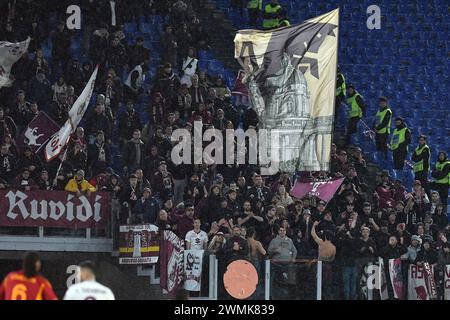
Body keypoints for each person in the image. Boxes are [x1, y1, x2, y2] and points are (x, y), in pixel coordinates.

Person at [373, 96, 392, 161]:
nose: (382, 104)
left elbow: (385, 122)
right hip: (378, 132)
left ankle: (384, 160)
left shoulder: (388, 111)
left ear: (386, 103)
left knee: (383, 147)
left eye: (383, 102)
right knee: (378, 147)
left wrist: (377, 128)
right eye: (381, 103)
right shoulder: (379, 111)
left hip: (384, 132)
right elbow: (375, 120)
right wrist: (373, 128)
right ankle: (379, 160)